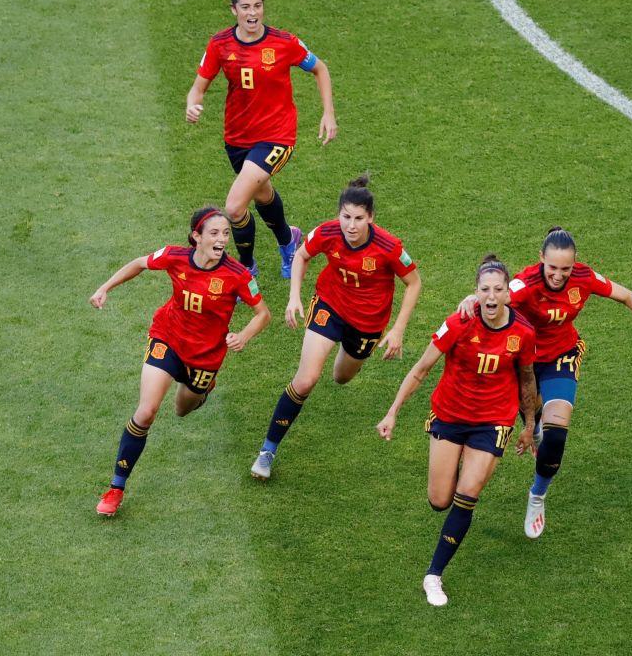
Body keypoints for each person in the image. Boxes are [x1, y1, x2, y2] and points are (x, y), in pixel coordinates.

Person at [458, 227, 632, 541]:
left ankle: (537, 495)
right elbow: (495, 297)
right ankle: (532, 426)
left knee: (556, 434)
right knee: (532, 415)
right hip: (524, 361)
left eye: (566, 268)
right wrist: (471, 299)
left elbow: (627, 295)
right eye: (552, 268)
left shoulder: (584, 278)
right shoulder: (526, 283)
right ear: (540, 260)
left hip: (561, 356)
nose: (559, 275)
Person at [377, 255, 539, 607]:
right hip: (450, 415)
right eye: (485, 290)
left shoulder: (523, 333)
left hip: (494, 420)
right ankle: (456, 474)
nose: (492, 296)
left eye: (498, 289)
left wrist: (529, 425)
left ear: (508, 294)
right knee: (440, 500)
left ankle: (433, 575)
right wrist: (392, 413)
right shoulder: (459, 322)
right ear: (475, 292)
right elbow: (421, 370)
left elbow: (527, 379)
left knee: (468, 495)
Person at [90, 208, 271, 517]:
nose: (222, 240)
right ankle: (116, 488)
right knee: (146, 412)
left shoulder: (237, 274)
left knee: (182, 409)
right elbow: (139, 264)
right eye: (214, 233)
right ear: (196, 237)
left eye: (225, 233)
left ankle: (203, 389)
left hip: (205, 357)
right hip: (167, 339)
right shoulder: (175, 257)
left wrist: (244, 335)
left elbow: (262, 314)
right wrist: (105, 287)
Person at [249, 175, 422, 480]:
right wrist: (294, 298)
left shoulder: (388, 246)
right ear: (338, 213)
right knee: (305, 381)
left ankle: (344, 349)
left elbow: (413, 282)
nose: (351, 226)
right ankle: (267, 451)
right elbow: (301, 255)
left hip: (368, 324)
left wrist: (398, 329)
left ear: (370, 218)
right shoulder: (328, 232)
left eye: (358, 218)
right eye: (345, 217)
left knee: (341, 377)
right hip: (330, 306)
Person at [185, 0, 338, 276]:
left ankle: (246, 270)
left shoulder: (284, 43)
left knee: (234, 206)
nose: (252, 13)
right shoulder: (220, 45)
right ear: (234, 10)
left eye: (257, 6)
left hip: (276, 137)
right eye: (245, 7)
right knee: (262, 194)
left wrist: (328, 113)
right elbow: (199, 86)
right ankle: (288, 239)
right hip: (237, 140)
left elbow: (320, 68)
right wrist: (193, 103)